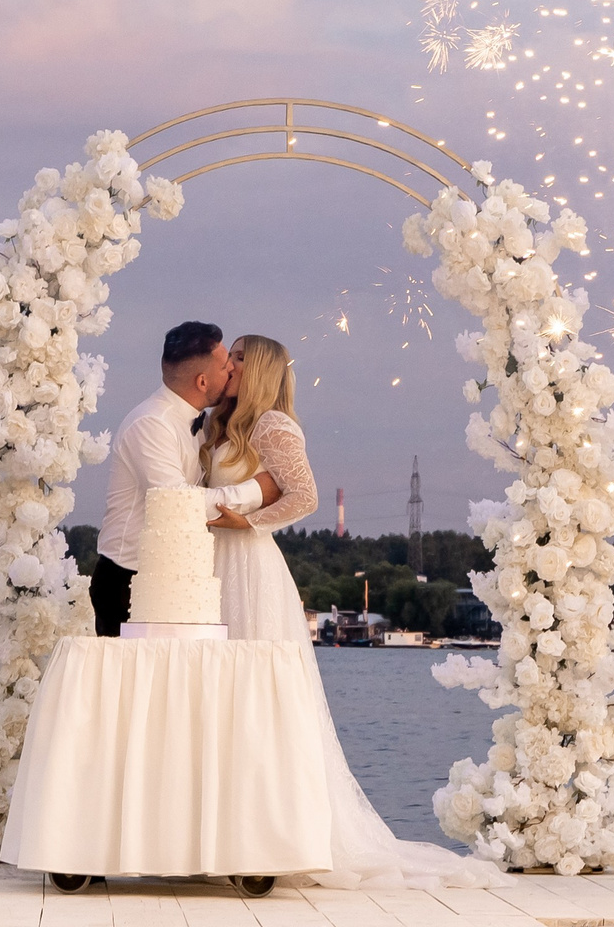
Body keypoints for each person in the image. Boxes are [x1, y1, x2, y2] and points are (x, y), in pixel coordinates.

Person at [204, 334, 498, 888]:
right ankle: (219, 828)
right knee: (216, 694)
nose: (229, 364)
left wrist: (250, 522)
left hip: (249, 566)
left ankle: (272, 832)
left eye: (240, 357)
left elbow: (306, 496)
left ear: (261, 368)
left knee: (256, 696)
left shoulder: (273, 425)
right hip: (210, 567)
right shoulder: (221, 424)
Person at [91, 320, 268, 637]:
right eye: (226, 365)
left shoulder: (199, 424)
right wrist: (256, 491)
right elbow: (177, 503)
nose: (231, 370)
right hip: (129, 581)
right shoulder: (151, 425)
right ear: (202, 381)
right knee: (136, 685)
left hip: (176, 582)